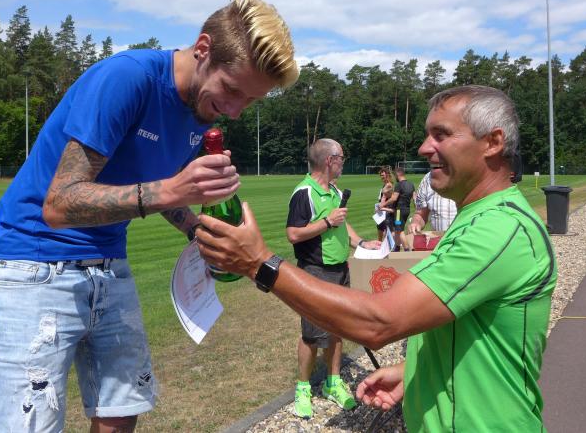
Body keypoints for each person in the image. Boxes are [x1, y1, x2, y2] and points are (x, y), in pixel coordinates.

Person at [0, 0, 299, 433]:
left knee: (122, 408)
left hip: (110, 260)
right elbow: (58, 205)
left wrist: (200, 233)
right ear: (203, 48)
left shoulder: (197, 111)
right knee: (28, 423)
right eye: (231, 89)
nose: (234, 110)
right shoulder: (128, 78)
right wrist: (172, 189)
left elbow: (158, 187)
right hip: (35, 260)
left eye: (249, 101)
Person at [196, 85, 557, 432]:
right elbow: (472, 334)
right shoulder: (479, 219)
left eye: (441, 134)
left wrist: (259, 263)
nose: (424, 147)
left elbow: (378, 323)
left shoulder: (499, 228)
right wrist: (415, 370)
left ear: (492, 143)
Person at [287, 138, 380, 419]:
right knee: (312, 335)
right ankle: (303, 388)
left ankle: (332, 382)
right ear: (330, 160)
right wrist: (327, 222)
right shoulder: (304, 193)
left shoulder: (335, 190)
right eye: (341, 158)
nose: (343, 163)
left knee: (337, 328)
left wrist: (362, 243)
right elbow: (293, 234)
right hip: (316, 271)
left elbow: (343, 225)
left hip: (340, 269)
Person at [405, 170, 457, 248]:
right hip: (440, 246)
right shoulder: (428, 178)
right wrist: (416, 222)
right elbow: (421, 214)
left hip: (468, 246)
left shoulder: (473, 175)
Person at [382, 167, 414, 250]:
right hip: (407, 210)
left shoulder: (399, 185)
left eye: (394, 175)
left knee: (400, 230)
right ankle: (397, 248)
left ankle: (407, 249)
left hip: (399, 211)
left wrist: (383, 205)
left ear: (397, 174)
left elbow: (394, 198)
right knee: (397, 229)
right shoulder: (411, 184)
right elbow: (415, 198)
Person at [375, 166, 394, 241]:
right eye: (381, 175)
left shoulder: (389, 185)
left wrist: (381, 206)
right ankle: (380, 244)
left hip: (386, 211)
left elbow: (386, 198)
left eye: (383, 175)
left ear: (387, 175)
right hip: (382, 210)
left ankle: (385, 244)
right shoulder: (385, 185)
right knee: (380, 229)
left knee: (385, 231)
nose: (381, 177)